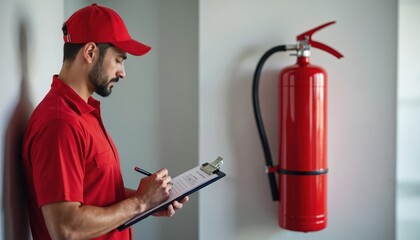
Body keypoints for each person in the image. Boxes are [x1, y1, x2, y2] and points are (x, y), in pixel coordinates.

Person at [22, 3, 188, 240]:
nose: (123, 72)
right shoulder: (60, 123)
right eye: (119, 59)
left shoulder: (82, 114)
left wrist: (150, 202)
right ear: (90, 53)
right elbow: (66, 228)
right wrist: (141, 202)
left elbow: (95, 193)